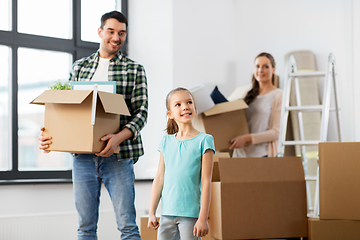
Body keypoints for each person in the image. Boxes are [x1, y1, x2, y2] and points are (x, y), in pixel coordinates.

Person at [39, 10, 148, 240]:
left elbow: (141, 113)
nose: (116, 38)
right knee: (85, 228)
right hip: (83, 159)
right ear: (100, 32)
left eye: (122, 33)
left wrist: (118, 137)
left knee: (128, 227)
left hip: (118, 157)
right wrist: (50, 136)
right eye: (111, 31)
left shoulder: (135, 70)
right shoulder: (80, 67)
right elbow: (69, 110)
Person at [147, 87, 215, 240]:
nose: (185, 107)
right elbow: (159, 178)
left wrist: (203, 218)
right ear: (170, 114)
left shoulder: (205, 140)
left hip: (190, 215)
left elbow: (206, 182)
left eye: (189, 102)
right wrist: (152, 211)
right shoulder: (165, 141)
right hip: (166, 214)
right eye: (178, 104)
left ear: (195, 109)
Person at [230, 52, 282, 158]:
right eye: (257, 66)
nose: (260, 70)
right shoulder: (246, 94)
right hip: (241, 155)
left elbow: (276, 133)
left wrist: (246, 138)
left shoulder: (278, 95)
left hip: (262, 155)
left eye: (265, 67)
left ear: (274, 70)